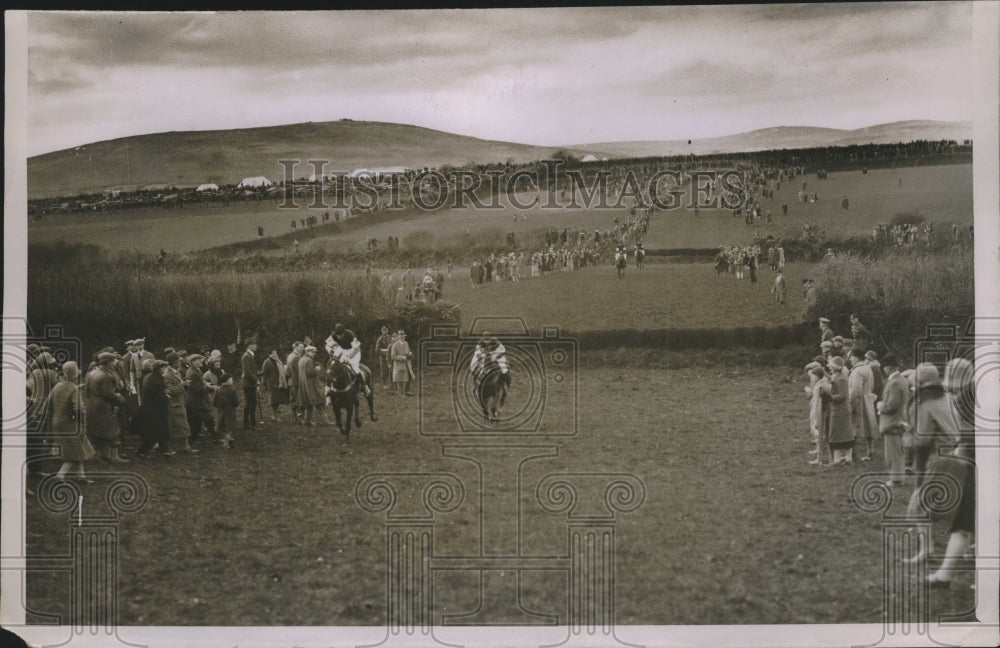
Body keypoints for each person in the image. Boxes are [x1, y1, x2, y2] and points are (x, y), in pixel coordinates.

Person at [922, 358, 976, 587]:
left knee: (964, 523)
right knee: (968, 523)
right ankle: (947, 574)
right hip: (979, 465)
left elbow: (966, 439)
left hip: (977, 467)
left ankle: (947, 575)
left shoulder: (966, 398)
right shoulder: (976, 393)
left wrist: (959, 451)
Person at [48, 361, 96, 481]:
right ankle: (60, 475)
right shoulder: (74, 389)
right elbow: (77, 409)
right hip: (69, 423)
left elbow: (49, 405)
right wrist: (80, 422)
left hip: (57, 421)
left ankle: (81, 475)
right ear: (75, 375)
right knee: (74, 450)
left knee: (77, 447)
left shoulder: (57, 386)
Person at [85, 351, 130, 463]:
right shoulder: (106, 376)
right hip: (103, 405)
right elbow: (107, 394)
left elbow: (87, 389)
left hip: (91, 404)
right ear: (108, 362)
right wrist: (119, 398)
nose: (114, 363)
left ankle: (101, 455)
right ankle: (114, 456)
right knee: (112, 429)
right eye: (113, 361)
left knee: (97, 430)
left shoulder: (92, 373)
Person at [823, 355, 854, 465]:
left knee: (841, 434)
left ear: (837, 367)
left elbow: (842, 396)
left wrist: (829, 396)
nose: (830, 367)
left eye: (832, 366)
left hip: (841, 410)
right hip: (838, 409)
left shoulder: (841, 378)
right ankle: (844, 458)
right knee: (839, 434)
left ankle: (843, 459)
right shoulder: (836, 376)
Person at [137, 360, 172, 457]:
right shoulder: (156, 381)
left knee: (161, 430)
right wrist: (167, 398)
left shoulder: (152, 377)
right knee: (154, 431)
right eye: (163, 367)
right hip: (155, 409)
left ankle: (164, 450)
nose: (165, 369)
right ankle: (142, 452)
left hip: (153, 408)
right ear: (159, 368)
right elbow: (159, 397)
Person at [848, 348, 878, 462]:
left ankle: (852, 453)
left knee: (853, 426)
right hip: (868, 398)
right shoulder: (868, 368)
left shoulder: (857, 371)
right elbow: (872, 385)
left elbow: (855, 390)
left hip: (859, 400)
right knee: (869, 425)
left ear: (856, 357)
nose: (850, 359)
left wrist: (851, 405)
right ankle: (870, 451)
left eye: (851, 357)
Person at [326, 323, 370, 397]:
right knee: (333, 366)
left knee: (355, 367)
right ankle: (328, 387)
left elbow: (357, 349)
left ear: (344, 333)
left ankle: (364, 386)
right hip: (342, 350)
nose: (339, 337)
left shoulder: (350, 335)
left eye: (341, 335)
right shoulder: (333, 335)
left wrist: (349, 357)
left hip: (354, 351)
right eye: (337, 335)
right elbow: (327, 345)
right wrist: (330, 350)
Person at [164, 352, 196, 454]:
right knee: (178, 426)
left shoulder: (176, 372)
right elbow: (169, 390)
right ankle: (179, 447)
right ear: (173, 362)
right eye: (178, 360)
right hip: (174, 404)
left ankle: (184, 447)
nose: (179, 362)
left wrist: (184, 384)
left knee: (183, 425)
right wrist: (183, 385)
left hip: (180, 402)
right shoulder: (167, 375)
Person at [185, 354, 215, 445]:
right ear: (193, 362)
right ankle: (215, 437)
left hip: (194, 400)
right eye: (198, 360)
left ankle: (193, 438)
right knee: (208, 418)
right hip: (196, 400)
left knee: (195, 421)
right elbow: (198, 389)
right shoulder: (193, 373)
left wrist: (205, 385)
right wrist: (210, 388)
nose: (201, 361)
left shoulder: (196, 370)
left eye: (200, 359)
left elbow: (200, 383)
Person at [297, 345, 328, 425]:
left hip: (304, 384)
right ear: (307, 352)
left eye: (314, 352)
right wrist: (317, 369)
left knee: (309, 403)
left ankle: (308, 421)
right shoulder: (309, 360)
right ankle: (325, 421)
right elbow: (310, 372)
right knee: (319, 402)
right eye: (313, 352)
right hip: (311, 385)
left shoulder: (301, 359)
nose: (314, 354)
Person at [806, 362, 829, 465]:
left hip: (819, 410)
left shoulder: (821, 385)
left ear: (817, 376)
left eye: (813, 375)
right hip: (817, 409)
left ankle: (819, 458)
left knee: (819, 432)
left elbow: (820, 399)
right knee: (817, 432)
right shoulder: (819, 384)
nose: (812, 377)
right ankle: (818, 454)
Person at [261, 349, 288, 422]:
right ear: (270, 354)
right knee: (274, 400)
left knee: (277, 400)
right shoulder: (267, 362)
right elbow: (264, 374)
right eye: (273, 353)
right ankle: (274, 415)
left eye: (276, 353)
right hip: (272, 383)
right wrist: (264, 384)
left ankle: (275, 414)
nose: (275, 354)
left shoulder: (278, 361)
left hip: (279, 382)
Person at [213, 373, 238, 447]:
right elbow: (236, 402)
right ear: (227, 380)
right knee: (229, 427)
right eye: (231, 379)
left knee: (221, 427)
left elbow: (214, 402)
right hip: (230, 411)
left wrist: (219, 406)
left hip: (221, 412)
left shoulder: (218, 390)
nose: (232, 380)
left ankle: (227, 439)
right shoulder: (233, 390)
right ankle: (228, 440)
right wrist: (234, 406)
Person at [241, 338, 260, 430]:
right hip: (248, 384)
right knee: (249, 403)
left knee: (253, 403)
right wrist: (256, 380)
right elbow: (247, 371)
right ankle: (248, 424)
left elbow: (251, 370)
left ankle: (251, 423)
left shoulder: (250, 355)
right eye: (253, 344)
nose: (255, 346)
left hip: (250, 383)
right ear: (249, 346)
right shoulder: (246, 356)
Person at [390, 331, 414, 396]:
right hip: (398, 364)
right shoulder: (395, 345)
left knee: (407, 377)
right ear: (398, 337)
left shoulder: (406, 343)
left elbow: (408, 352)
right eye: (400, 337)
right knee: (399, 378)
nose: (402, 338)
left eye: (403, 337)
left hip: (406, 363)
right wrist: (402, 357)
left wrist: (410, 354)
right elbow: (393, 356)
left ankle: (406, 391)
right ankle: (400, 393)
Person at [285, 342, 305, 424]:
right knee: (299, 400)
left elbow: (288, 370)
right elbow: (298, 370)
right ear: (295, 347)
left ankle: (296, 418)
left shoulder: (290, 356)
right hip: (297, 381)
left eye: (303, 347)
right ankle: (300, 419)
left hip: (291, 381)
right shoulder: (295, 357)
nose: (302, 349)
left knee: (294, 399)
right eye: (301, 347)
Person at [374, 326, 393, 390]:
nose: (385, 331)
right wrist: (384, 354)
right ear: (381, 331)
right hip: (383, 357)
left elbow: (392, 346)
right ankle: (384, 384)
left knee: (390, 369)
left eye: (386, 330)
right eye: (383, 330)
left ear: (387, 330)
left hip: (390, 356)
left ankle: (391, 384)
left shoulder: (390, 337)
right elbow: (377, 350)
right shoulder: (380, 339)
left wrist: (390, 354)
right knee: (384, 370)